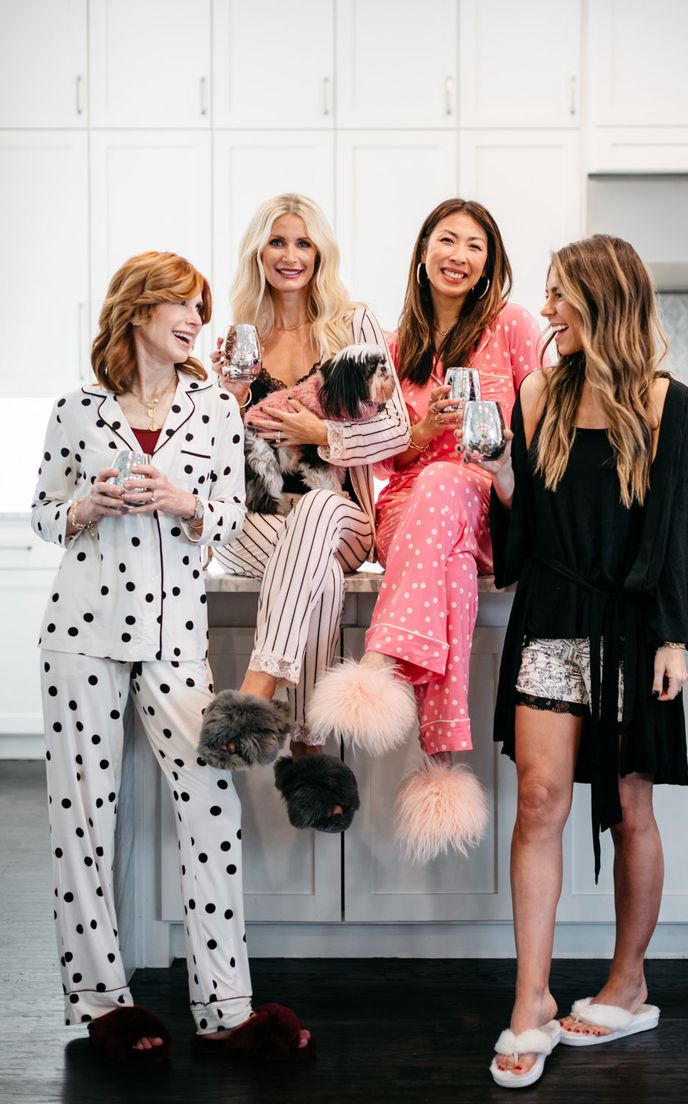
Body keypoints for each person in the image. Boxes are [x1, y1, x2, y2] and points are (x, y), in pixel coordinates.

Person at [32, 251, 313, 1064]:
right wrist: (85, 504)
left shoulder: (214, 411)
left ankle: (225, 1007)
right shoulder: (78, 408)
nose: (196, 320)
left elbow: (228, 517)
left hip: (174, 638)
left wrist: (184, 503)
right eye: (180, 306)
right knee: (82, 817)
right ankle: (100, 1002)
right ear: (139, 310)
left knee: (210, 806)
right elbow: (44, 514)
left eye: (200, 307)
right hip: (80, 630)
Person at [485, 235, 688, 1089]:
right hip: (551, 621)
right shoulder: (537, 393)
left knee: (626, 805)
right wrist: (504, 478)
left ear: (603, 300)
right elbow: (525, 540)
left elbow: (673, 525)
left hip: (630, 627)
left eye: (560, 297)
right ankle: (529, 1000)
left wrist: (671, 638)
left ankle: (629, 982)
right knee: (538, 799)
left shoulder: (662, 401)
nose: (546, 312)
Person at [307, 198, 542, 862]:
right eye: (448, 240)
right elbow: (380, 459)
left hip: (492, 500)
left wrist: (483, 451)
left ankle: (381, 664)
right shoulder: (389, 346)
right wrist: (425, 433)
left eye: (475, 246)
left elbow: (541, 431)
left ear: (490, 263)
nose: (459, 255)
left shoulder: (513, 327)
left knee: (448, 487)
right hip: (410, 515)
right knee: (450, 558)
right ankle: (440, 758)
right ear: (423, 250)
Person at [201, 194, 410, 833]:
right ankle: (309, 748)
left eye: (303, 243)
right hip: (252, 524)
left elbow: (397, 431)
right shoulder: (233, 341)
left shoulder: (353, 329)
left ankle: (256, 695)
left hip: (339, 517)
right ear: (257, 254)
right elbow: (205, 453)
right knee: (308, 564)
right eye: (277, 243)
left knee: (318, 510)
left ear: (321, 253)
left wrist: (321, 433)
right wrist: (223, 403)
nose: (290, 256)